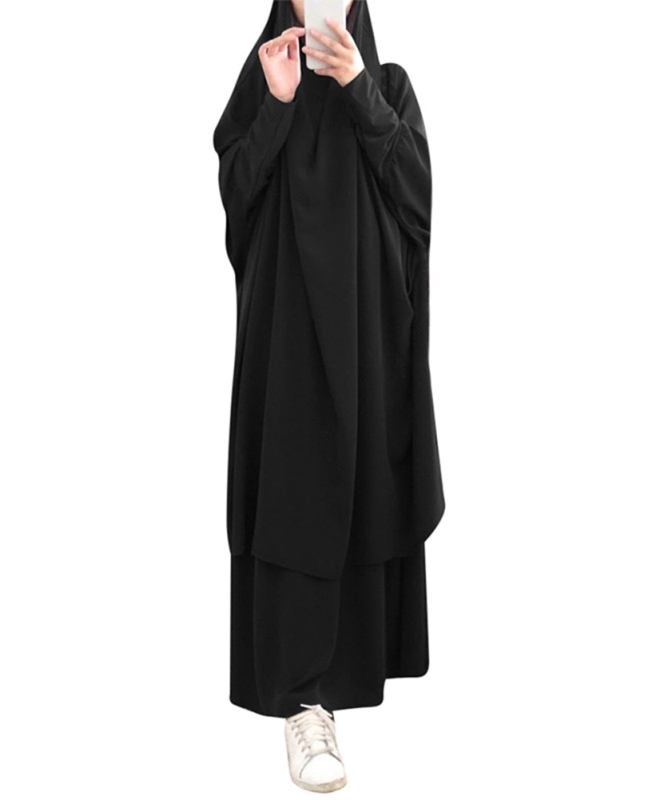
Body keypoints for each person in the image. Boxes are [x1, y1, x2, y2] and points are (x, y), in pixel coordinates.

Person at [213, 0, 446, 792]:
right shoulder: (262, 84)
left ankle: (353, 678)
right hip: (287, 337)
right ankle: (303, 704)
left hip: (369, 334)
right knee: (295, 490)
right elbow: (238, 204)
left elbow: (418, 204)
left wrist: (358, 90)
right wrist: (279, 105)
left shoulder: (389, 87)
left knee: (364, 484)